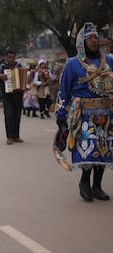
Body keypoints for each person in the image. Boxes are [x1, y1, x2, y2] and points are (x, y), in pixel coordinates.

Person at [54, 22, 113, 202]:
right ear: (82, 41)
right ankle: (84, 184)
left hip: (106, 113)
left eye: (96, 37)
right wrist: (61, 116)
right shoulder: (72, 64)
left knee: (104, 150)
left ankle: (97, 186)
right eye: (90, 38)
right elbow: (63, 90)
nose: (94, 41)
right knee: (88, 150)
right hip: (84, 115)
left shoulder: (109, 61)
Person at [0, 50, 24, 145]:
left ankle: (16, 136)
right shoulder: (2, 67)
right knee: (9, 115)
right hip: (7, 95)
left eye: (13, 57)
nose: (11, 59)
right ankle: (9, 137)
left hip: (18, 94)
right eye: (9, 57)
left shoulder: (19, 66)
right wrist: (0, 76)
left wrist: (27, 78)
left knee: (17, 115)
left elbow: (25, 76)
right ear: (6, 58)